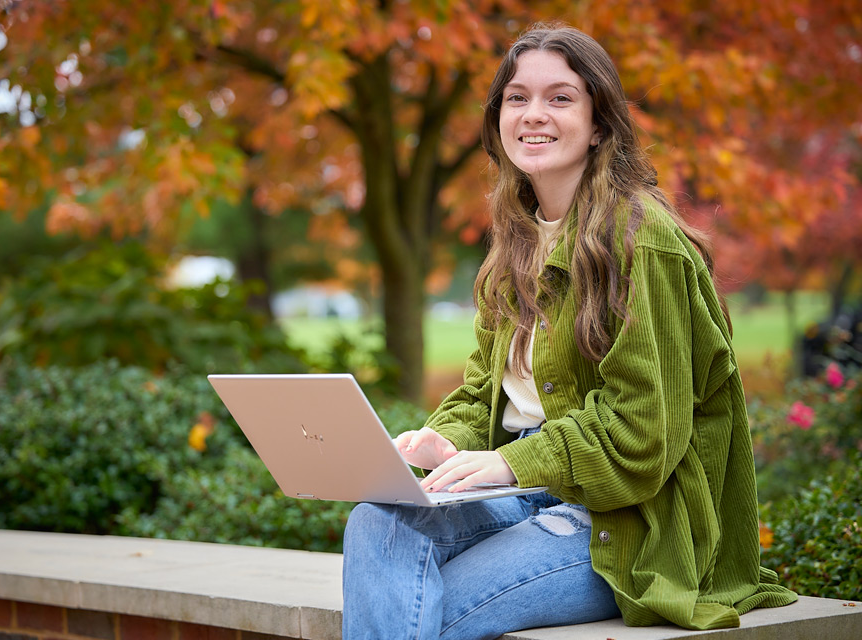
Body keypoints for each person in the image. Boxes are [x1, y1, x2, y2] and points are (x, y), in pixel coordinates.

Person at [341, 22, 798, 640]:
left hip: (620, 521)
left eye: (560, 97)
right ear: (498, 118)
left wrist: (512, 464)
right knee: (377, 521)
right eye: (517, 98)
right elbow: (481, 396)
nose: (534, 115)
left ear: (599, 123)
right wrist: (438, 443)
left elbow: (643, 434)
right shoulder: (515, 243)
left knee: (422, 611)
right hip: (525, 495)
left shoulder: (644, 242)